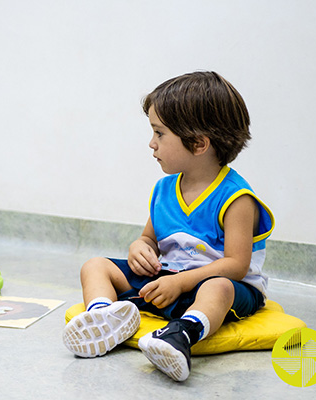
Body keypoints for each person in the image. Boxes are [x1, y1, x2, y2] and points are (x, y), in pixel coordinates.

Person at [63, 71, 274, 381]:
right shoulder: (164, 190)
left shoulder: (236, 198)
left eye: (159, 133)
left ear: (199, 143)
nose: (151, 143)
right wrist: (140, 248)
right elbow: (148, 238)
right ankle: (103, 318)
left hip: (217, 286)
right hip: (168, 281)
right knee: (95, 265)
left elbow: (237, 265)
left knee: (218, 288)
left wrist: (182, 283)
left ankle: (181, 335)